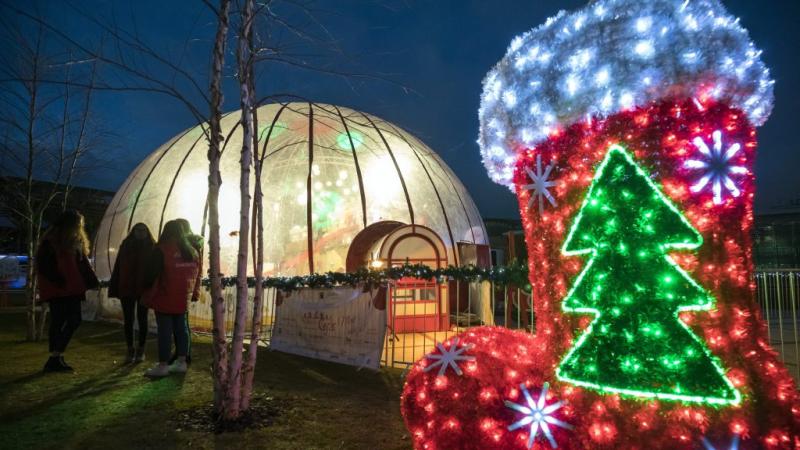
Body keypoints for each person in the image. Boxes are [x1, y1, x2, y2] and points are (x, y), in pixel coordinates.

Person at [36, 210, 99, 372]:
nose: (79, 227)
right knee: (62, 321)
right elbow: (44, 266)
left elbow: (82, 264)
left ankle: (56, 356)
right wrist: (59, 280)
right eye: (77, 224)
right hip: (60, 289)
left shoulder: (74, 242)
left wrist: (92, 281)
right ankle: (55, 357)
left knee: (72, 320)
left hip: (72, 288)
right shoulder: (52, 242)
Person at [142, 219, 200, 378]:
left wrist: (147, 296)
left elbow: (153, 276)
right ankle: (181, 362)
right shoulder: (192, 251)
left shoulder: (161, 250)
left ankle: (163, 365)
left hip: (165, 297)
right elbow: (197, 275)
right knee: (182, 330)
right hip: (183, 298)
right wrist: (194, 293)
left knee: (165, 332)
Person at [108, 223, 155, 363]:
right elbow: (118, 266)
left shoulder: (152, 247)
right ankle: (130, 349)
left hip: (143, 288)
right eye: (138, 230)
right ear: (133, 232)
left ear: (147, 232)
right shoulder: (126, 245)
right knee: (128, 319)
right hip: (127, 287)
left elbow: (155, 269)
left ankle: (140, 349)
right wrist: (116, 284)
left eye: (143, 230)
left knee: (142, 319)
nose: (140, 233)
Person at [171, 219, 203, 365]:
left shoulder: (190, 245)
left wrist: (195, 290)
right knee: (181, 323)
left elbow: (198, 269)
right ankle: (181, 352)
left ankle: (183, 353)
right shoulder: (191, 244)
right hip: (185, 287)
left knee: (181, 323)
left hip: (183, 288)